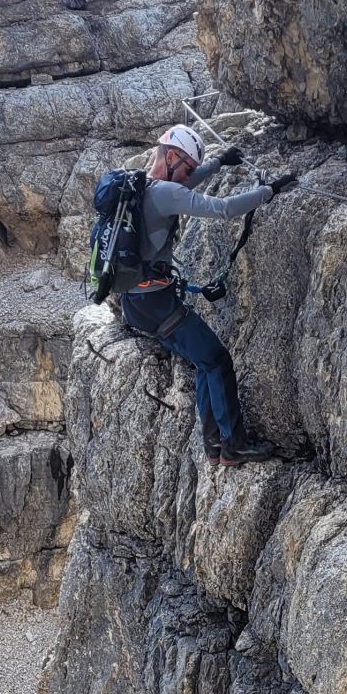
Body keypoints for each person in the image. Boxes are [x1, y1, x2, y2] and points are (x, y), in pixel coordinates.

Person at [118, 124, 277, 464]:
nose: (188, 174)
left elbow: (184, 185)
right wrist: (269, 191)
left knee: (205, 360)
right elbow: (224, 209)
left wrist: (218, 163)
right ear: (171, 157)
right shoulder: (165, 193)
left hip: (136, 301)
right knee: (217, 360)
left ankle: (215, 444)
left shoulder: (145, 185)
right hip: (156, 303)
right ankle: (234, 445)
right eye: (187, 166)